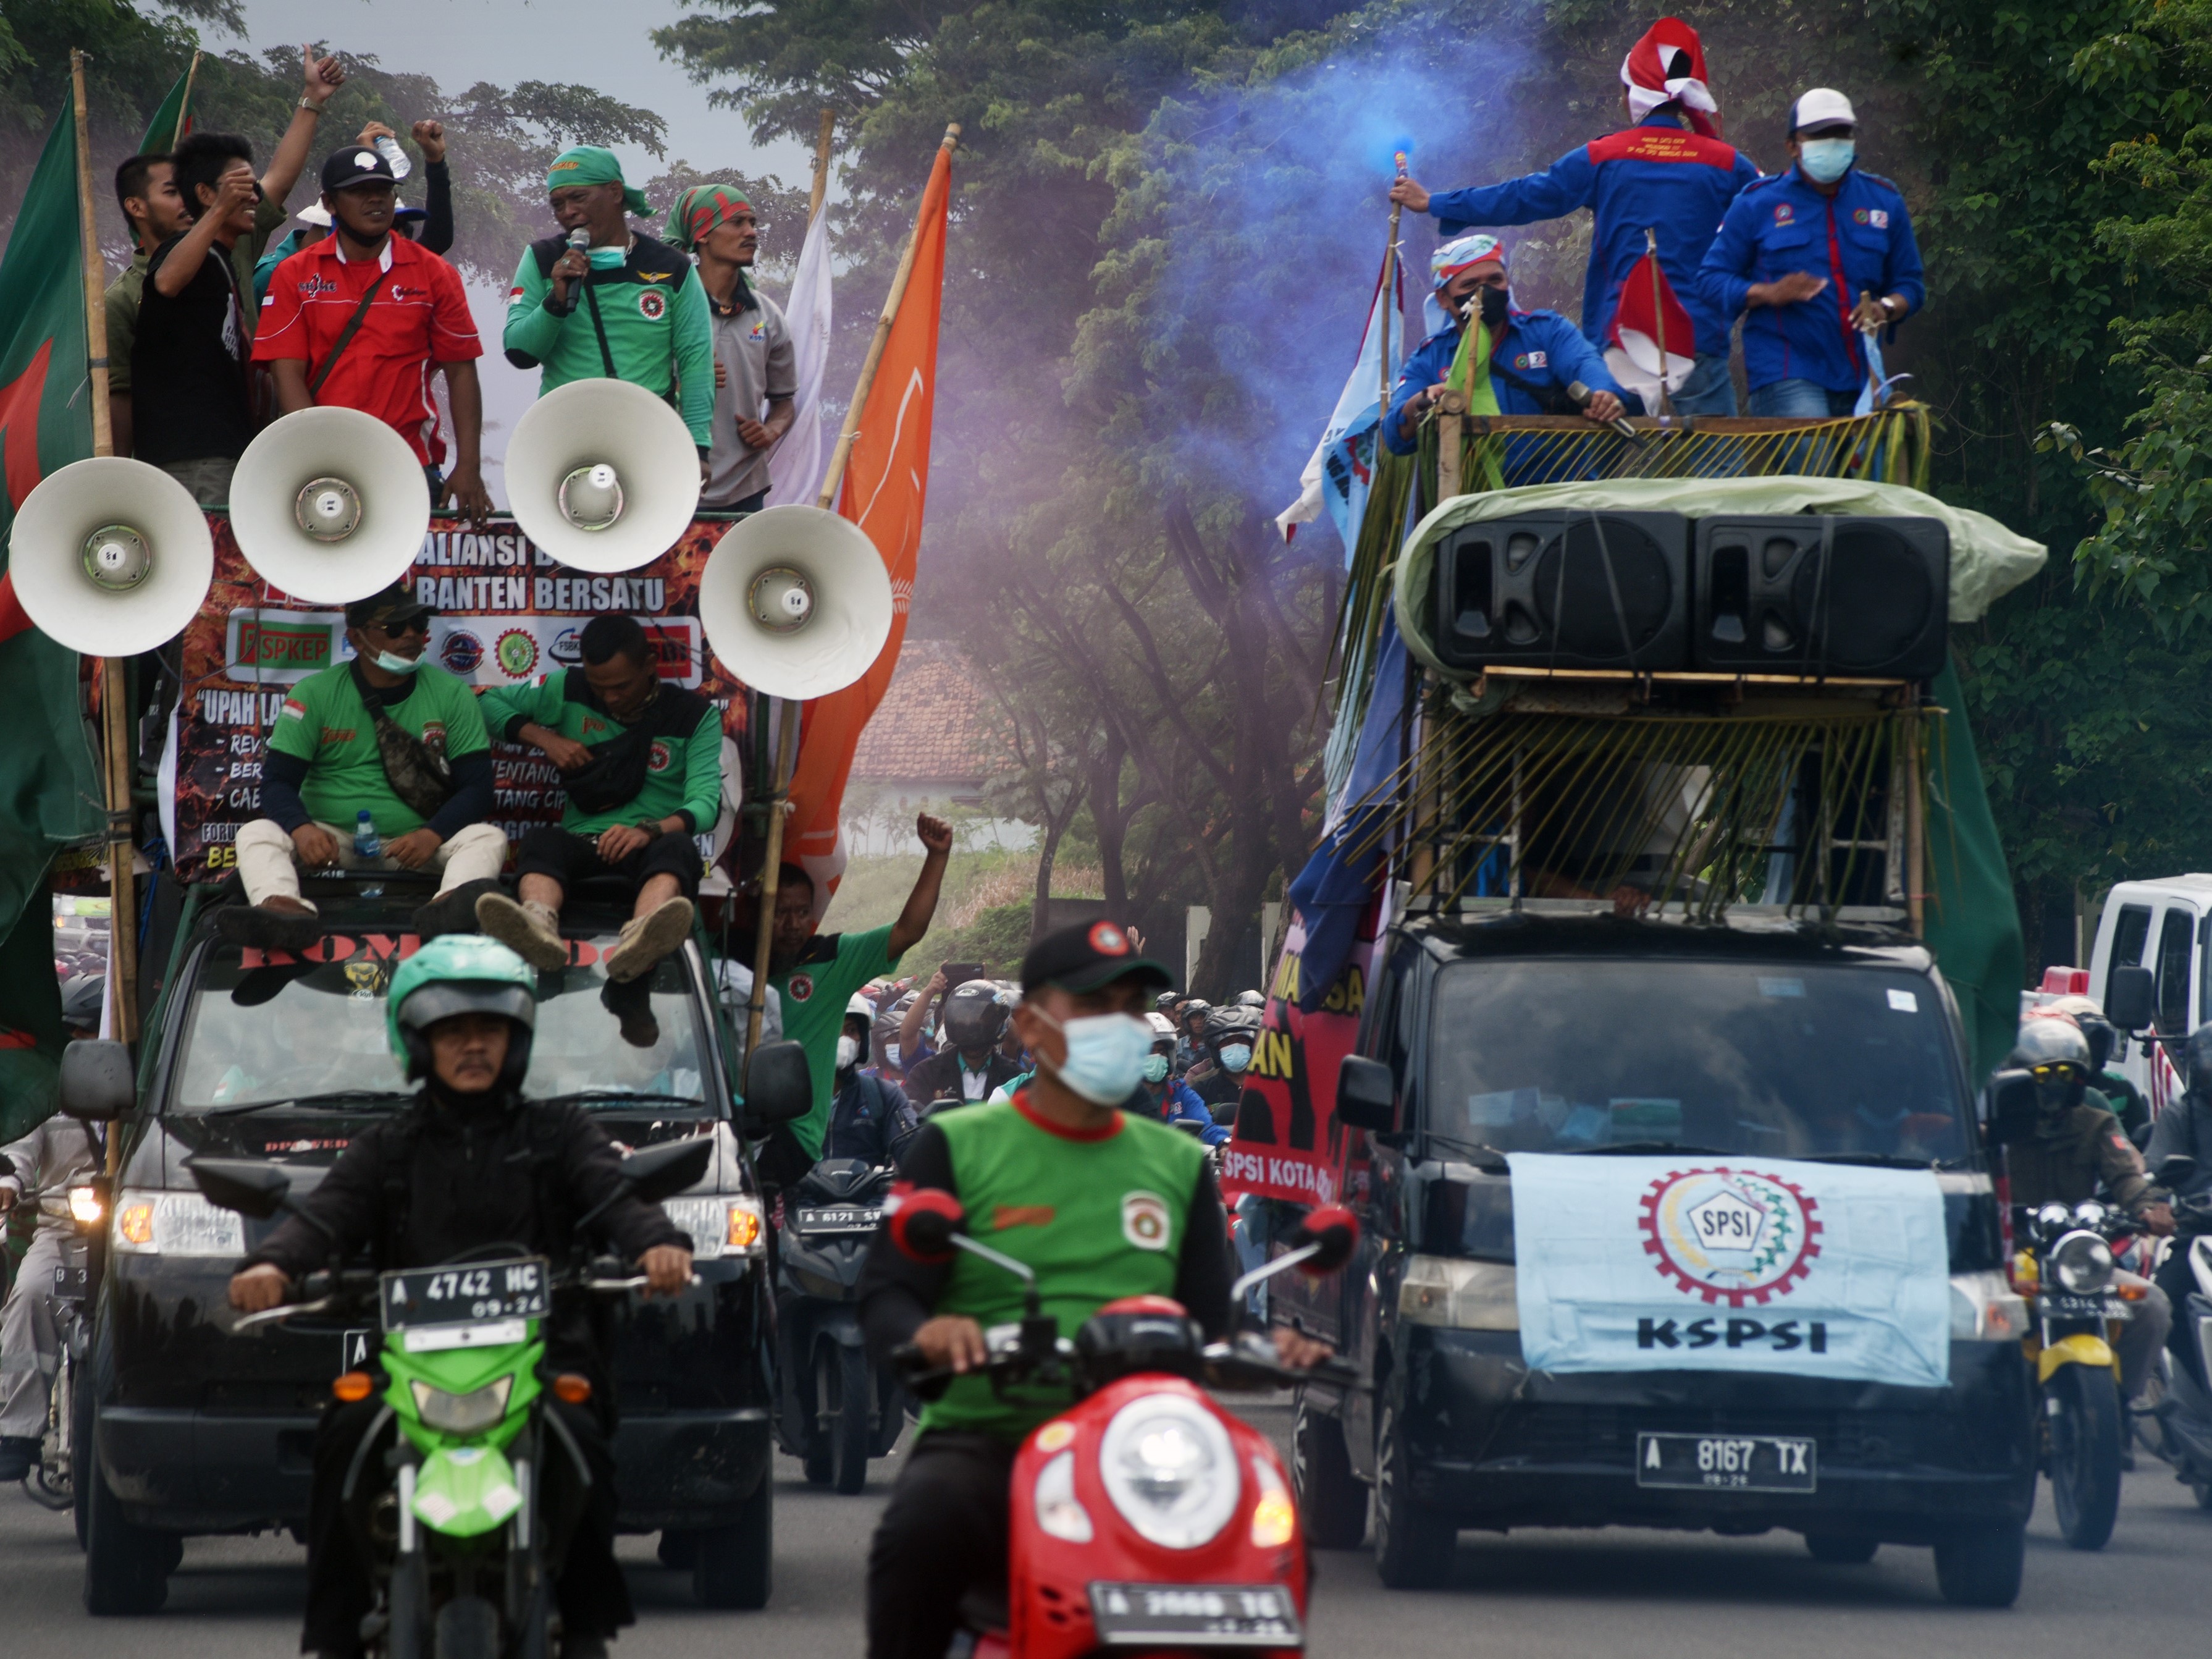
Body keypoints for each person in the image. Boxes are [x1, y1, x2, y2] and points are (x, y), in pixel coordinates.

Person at [857, 919, 1329, 1659]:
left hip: (1146, 1446)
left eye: (1127, 1006)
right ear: (1029, 1026)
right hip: (993, 1432)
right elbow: (886, 1292)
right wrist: (928, 1336)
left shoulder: (1176, 1162)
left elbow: (1212, 1317)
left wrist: (1271, 1345)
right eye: (1091, 1006)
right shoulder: (952, 1145)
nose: (1116, 1025)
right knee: (923, 1524)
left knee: (1269, 1531)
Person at [225, 934, 692, 1659]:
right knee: (343, 1440)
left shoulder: (560, 1132)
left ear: (516, 1040)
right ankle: (335, 1636)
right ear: (418, 1042)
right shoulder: (388, 1144)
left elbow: (615, 1196)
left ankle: (587, 1625)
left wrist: (657, 1247)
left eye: (489, 1030)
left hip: (541, 1354)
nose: (473, 1046)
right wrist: (274, 1265)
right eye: (453, 1032)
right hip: (413, 1362)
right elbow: (325, 1217)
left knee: (588, 1445)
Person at [1389, 17, 1759, 415]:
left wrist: (1437, 203)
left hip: (1620, 342)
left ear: (1630, 92)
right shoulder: (1727, 162)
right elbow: (1771, 223)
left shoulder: (1604, 156)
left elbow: (1523, 197)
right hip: (1697, 338)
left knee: (1608, 468)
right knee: (1716, 469)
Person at [224, 584, 506, 952]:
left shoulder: (452, 694)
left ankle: (447, 910)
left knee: (487, 838)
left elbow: (478, 789)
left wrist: (432, 835)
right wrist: (303, 830)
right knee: (257, 833)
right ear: (356, 638)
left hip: (417, 845)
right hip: (333, 842)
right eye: (394, 628)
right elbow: (277, 783)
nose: (410, 635)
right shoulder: (314, 693)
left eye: (417, 625)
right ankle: (284, 910)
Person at [129, 51, 348, 504]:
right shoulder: (185, 250)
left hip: (231, 450)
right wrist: (217, 212)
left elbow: (281, 180)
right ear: (206, 195)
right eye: (239, 189)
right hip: (192, 457)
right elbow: (167, 281)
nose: (253, 198)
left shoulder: (231, 254)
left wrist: (312, 98)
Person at [473, 614, 721, 985]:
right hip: (582, 842)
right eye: (599, 687)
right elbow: (486, 704)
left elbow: (706, 803)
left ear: (650, 666)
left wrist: (649, 830)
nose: (610, 697)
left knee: (680, 848)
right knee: (542, 841)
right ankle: (538, 927)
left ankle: (640, 937)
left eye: (622, 686)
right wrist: (545, 739)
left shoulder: (694, 716)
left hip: (650, 847)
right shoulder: (567, 688)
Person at [254, 145, 493, 523]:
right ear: (329, 203)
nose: (375, 200)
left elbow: (462, 372)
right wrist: (322, 461)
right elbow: (287, 376)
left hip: (411, 467)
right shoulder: (293, 274)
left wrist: (468, 466)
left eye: (383, 190)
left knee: (409, 586)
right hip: (326, 472)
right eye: (359, 191)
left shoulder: (435, 273)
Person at [1699, 88, 1924, 418]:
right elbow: (1710, 280)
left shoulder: (1884, 201)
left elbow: (1911, 285)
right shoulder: (1756, 203)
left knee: (1864, 470)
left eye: (1842, 134)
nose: (1833, 142)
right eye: (1820, 135)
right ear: (1792, 145)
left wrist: (1886, 307)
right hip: (1786, 368)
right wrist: (1769, 293)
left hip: (1861, 374)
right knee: (1812, 462)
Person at [2000, 1018, 2173, 1409]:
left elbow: (2126, 1176)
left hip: (2079, 1259)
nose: (2057, 1083)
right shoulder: (1998, 1126)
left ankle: (2121, 1405)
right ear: (2022, 1079)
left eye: (2067, 1073)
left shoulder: (2097, 1123)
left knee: (2152, 1306)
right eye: (2045, 1074)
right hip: (2014, 1259)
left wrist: (2148, 1208)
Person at [765, 815, 954, 1164]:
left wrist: (937, 858)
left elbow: (908, 930)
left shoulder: (832, 960)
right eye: (780, 913)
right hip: (739, 1135)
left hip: (794, 1146)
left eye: (802, 912)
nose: (792, 924)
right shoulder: (732, 960)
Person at [503, 147, 713, 458]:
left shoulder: (671, 266)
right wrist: (555, 303)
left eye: (579, 198)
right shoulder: (542, 258)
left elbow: (695, 359)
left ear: (615, 192)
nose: (568, 212)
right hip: (564, 437)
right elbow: (519, 352)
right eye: (558, 204)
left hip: (648, 440)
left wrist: (699, 447)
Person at [1384, 235, 1629, 458]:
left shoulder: (1547, 331)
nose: (1484, 292)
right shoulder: (1430, 358)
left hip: (1558, 494)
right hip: (1471, 500)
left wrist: (1603, 395)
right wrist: (1425, 399)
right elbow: (1394, 435)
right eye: (1470, 285)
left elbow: (1586, 365)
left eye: (1495, 280)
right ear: (1443, 299)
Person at [667, 185, 795, 513]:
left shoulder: (767, 315)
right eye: (737, 222)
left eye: (753, 223)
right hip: (666, 484)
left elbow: (784, 404)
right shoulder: (666, 310)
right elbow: (630, 390)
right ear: (703, 235)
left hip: (745, 490)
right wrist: (686, 383)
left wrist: (770, 431)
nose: (751, 232)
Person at [0, 1095, 104, 1480]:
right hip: (60, 1231)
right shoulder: (50, 1090)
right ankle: (19, 1433)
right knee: (29, 1295)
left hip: (134, 1237)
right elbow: (21, 1149)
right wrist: (9, 1181)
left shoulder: (150, 1077)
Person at [106, 151, 190, 458]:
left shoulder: (224, 260)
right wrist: (121, 473)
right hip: (168, 460)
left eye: (188, 188)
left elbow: (278, 185)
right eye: (171, 192)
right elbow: (120, 396)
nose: (186, 201)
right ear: (136, 206)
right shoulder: (120, 299)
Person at [2147, 1026, 2212, 1388]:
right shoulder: (2179, 1115)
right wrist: (2159, 1207)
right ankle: (2199, 1388)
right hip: (2199, 1233)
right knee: (2164, 1307)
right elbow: (2156, 1170)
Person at [827, 995, 921, 1164]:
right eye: (832, 1030)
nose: (842, 1040)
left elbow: (913, 1156)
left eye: (851, 1031)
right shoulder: (792, 1098)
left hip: (869, 1190)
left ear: (864, 1037)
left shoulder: (883, 1096)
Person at [902, 980, 1024, 1108]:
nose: (970, 1025)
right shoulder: (927, 1073)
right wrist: (929, 991)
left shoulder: (1014, 1076)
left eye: (981, 1019)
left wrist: (995, 996)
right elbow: (911, 1120)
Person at [1132, 1011, 1226, 1144]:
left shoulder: (1181, 1093)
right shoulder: (1120, 1097)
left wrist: (1223, 1143)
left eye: (1161, 1052)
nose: (1157, 1057)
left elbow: (1207, 1126)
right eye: (1150, 1051)